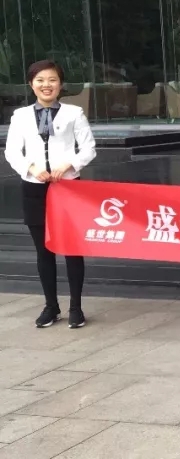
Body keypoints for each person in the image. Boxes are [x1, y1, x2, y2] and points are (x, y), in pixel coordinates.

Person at [5, 60, 96, 328]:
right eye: (41, 80)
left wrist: (69, 165)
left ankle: (76, 307)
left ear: (60, 84)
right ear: (31, 84)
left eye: (52, 80)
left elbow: (88, 148)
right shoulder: (20, 116)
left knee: (72, 249)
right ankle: (51, 306)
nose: (47, 85)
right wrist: (31, 168)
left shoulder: (74, 113)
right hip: (34, 187)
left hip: (68, 187)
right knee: (43, 250)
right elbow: (12, 151)